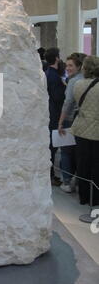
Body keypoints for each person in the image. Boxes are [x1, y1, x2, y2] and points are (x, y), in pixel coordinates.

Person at [71, 56, 99, 206]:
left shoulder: (77, 84)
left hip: (80, 129)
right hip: (96, 131)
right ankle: (95, 199)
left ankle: (83, 197)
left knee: (82, 164)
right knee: (96, 165)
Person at [58, 53, 86, 193]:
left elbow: (67, 103)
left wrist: (60, 122)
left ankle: (67, 182)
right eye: (67, 65)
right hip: (81, 120)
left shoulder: (73, 81)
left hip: (69, 119)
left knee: (66, 152)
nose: (67, 68)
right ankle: (77, 179)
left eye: (71, 66)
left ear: (79, 66)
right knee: (77, 152)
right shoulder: (85, 79)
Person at [45, 48, 66, 186]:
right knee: (53, 147)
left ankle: (51, 175)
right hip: (54, 115)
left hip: (50, 113)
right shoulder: (54, 76)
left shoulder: (47, 74)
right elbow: (58, 97)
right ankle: (51, 176)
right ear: (57, 58)